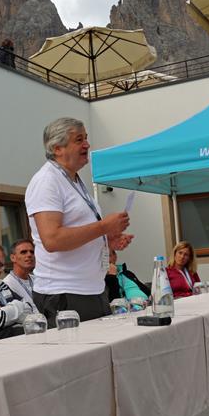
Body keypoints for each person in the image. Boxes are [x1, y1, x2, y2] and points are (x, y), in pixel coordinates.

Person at [26, 117, 133, 326]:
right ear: (57, 148)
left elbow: (77, 231)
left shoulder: (74, 179)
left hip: (92, 289)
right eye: (79, 140)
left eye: (86, 138)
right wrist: (104, 226)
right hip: (64, 293)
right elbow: (52, 239)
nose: (87, 145)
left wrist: (106, 240)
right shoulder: (47, 181)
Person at [2, 239, 38, 312]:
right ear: (13, 258)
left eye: (32, 252)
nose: (29, 255)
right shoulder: (6, 285)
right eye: (23, 252)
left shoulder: (38, 280)